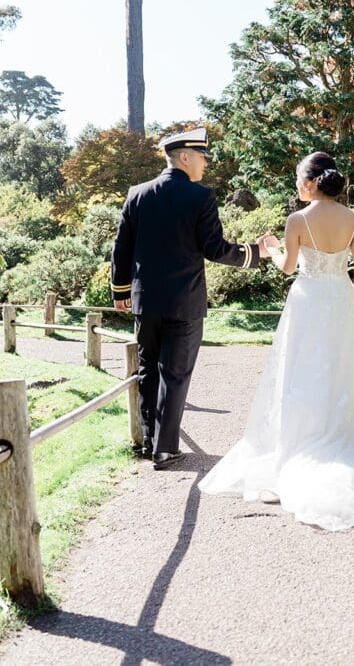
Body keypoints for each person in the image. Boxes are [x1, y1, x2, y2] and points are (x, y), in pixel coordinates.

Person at [198, 152, 354, 530]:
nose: (297, 186)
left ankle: (301, 440)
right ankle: (341, 433)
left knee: (301, 370)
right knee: (340, 367)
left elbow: (288, 267)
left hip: (307, 300)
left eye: (299, 180)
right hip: (339, 296)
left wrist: (269, 250)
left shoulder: (297, 220)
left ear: (311, 183)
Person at [111, 127, 270, 470]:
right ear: (185, 156)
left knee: (147, 370)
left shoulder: (137, 194)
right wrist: (255, 253)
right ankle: (165, 449)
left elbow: (121, 246)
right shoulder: (201, 198)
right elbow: (215, 249)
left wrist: (121, 291)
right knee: (176, 374)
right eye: (202, 158)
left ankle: (149, 443)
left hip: (146, 300)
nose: (206, 165)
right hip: (185, 303)